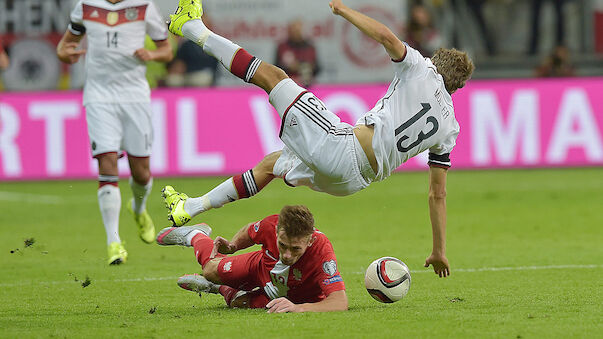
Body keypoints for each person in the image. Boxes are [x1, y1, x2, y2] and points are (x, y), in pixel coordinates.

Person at [163, 0, 474, 278]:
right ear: (457, 88)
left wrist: (343, 9)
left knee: (274, 78)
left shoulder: (421, 67)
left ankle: (191, 26)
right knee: (272, 164)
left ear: (437, 63)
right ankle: (189, 206)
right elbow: (438, 194)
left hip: (343, 149)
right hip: (353, 183)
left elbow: (386, 37)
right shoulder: (450, 127)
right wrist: (439, 250)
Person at [56, 0, 173, 265]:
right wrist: (66, 53)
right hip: (98, 97)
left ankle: (139, 208)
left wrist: (151, 54)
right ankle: (114, 242)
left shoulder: (144, 7)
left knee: (141, 172)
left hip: (134, 98)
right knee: (107, 164)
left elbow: (166, 51)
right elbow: (64, 47)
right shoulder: (85, 6)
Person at [156, 205, 348, 313]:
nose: (287, 255)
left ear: (310, 239)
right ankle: (196, 235)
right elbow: (250, 231)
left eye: (296, 249)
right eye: (283, 245)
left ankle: (218, 288)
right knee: (210, 270)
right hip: (260, 268)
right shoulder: (270, 225)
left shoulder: (322, 251)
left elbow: (339, 302)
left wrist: (298, 308)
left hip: (293, 297)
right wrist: (232, 246)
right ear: (276, 231)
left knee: (238, 303)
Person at [275, 19, 320, 87]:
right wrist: (289, 68)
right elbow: (276, 67)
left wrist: (309, 67)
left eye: (298, 30)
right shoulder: (282, 47)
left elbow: (318, 68)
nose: (296, 32)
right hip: (287, 85)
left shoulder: (310, 47)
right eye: (294, 30)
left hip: (307, 85)